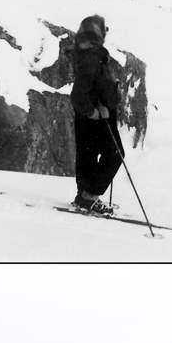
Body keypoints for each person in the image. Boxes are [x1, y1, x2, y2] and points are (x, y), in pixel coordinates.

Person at [69, 14, 124, 213]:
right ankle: (90, 195)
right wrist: (93, 110)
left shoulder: (88, 54)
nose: (106, 33)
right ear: (97, 33)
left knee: (88, 154)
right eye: (104, 29)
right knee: (115, 153)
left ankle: (84, 195)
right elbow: (78, 94)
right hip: (96, 117)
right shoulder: (91, 57)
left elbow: (92, 86)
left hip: (94, 114)